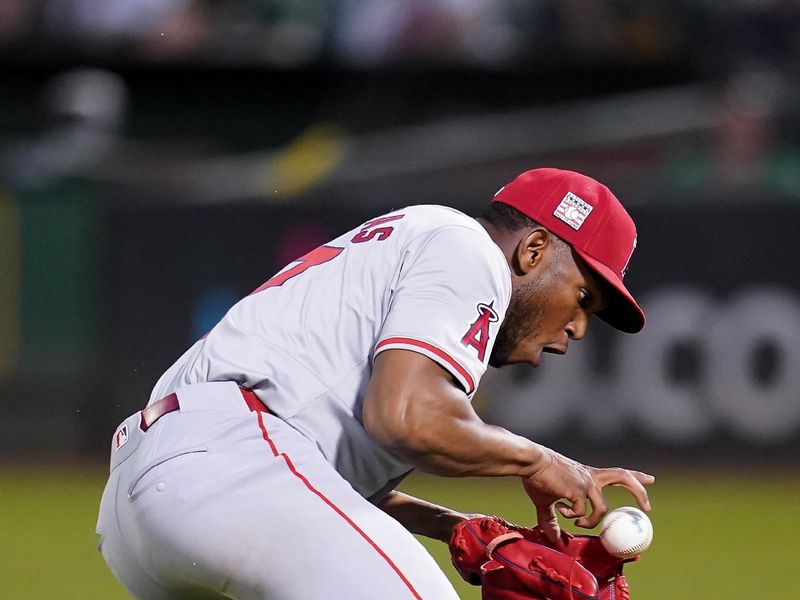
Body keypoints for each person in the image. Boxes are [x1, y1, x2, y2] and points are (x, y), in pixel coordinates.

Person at [97, 167, 654, 599]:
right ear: (534, 251)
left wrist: (461, 529)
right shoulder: (467, 247)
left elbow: (316, 482)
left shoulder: (406, 251)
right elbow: (407, 419)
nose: (579, 327)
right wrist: (540, 461)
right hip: (229, 464)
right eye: (584, 297)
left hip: (157, 498)